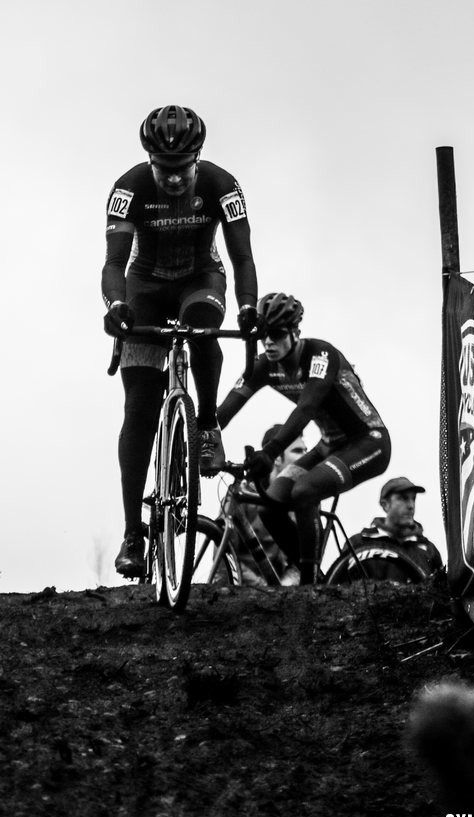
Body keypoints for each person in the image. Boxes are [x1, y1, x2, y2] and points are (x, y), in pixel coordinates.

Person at [103, 105, 259, 578]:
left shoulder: (221, 185)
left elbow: (241, 256)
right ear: (150, 162)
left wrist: (248, 305)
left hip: (200, 279)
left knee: (204, 328)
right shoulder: (129, 188)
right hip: (145, 288)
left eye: (182, 170)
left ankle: (207, 424)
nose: (173, 180)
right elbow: (113, 263)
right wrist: (115, 306)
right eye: (163, 171)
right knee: (140, 411)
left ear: (198, 161)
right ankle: (134, 532)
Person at [216, 292, 390, 583]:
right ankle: (315, 578)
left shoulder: (321, 355)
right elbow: (224, 411)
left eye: (277, 334)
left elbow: (307, 408)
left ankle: (308, 582)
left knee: (304, 490)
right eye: (263, 335)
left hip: (369, 442)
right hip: (330, 446)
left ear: (295, 332)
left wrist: (270, 452)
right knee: (269, 506)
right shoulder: (265, 365)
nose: (268, 342)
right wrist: (196, 440)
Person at [224, 425, 308, 587]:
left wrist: (283, 589)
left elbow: (299, 565)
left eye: (306, 450)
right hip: (241, 587)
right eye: (298, 451)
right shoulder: (246, 495)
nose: (305, 456)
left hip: (280, 590)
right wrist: (263, 588)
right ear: (277, 458)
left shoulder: (298, 499)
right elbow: (225, 556)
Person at [341, 477, 443, 582]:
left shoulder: (429, 550)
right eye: (403, 498)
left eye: (413, 499)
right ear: (385, 505)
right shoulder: (357, 543)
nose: (411, 505)